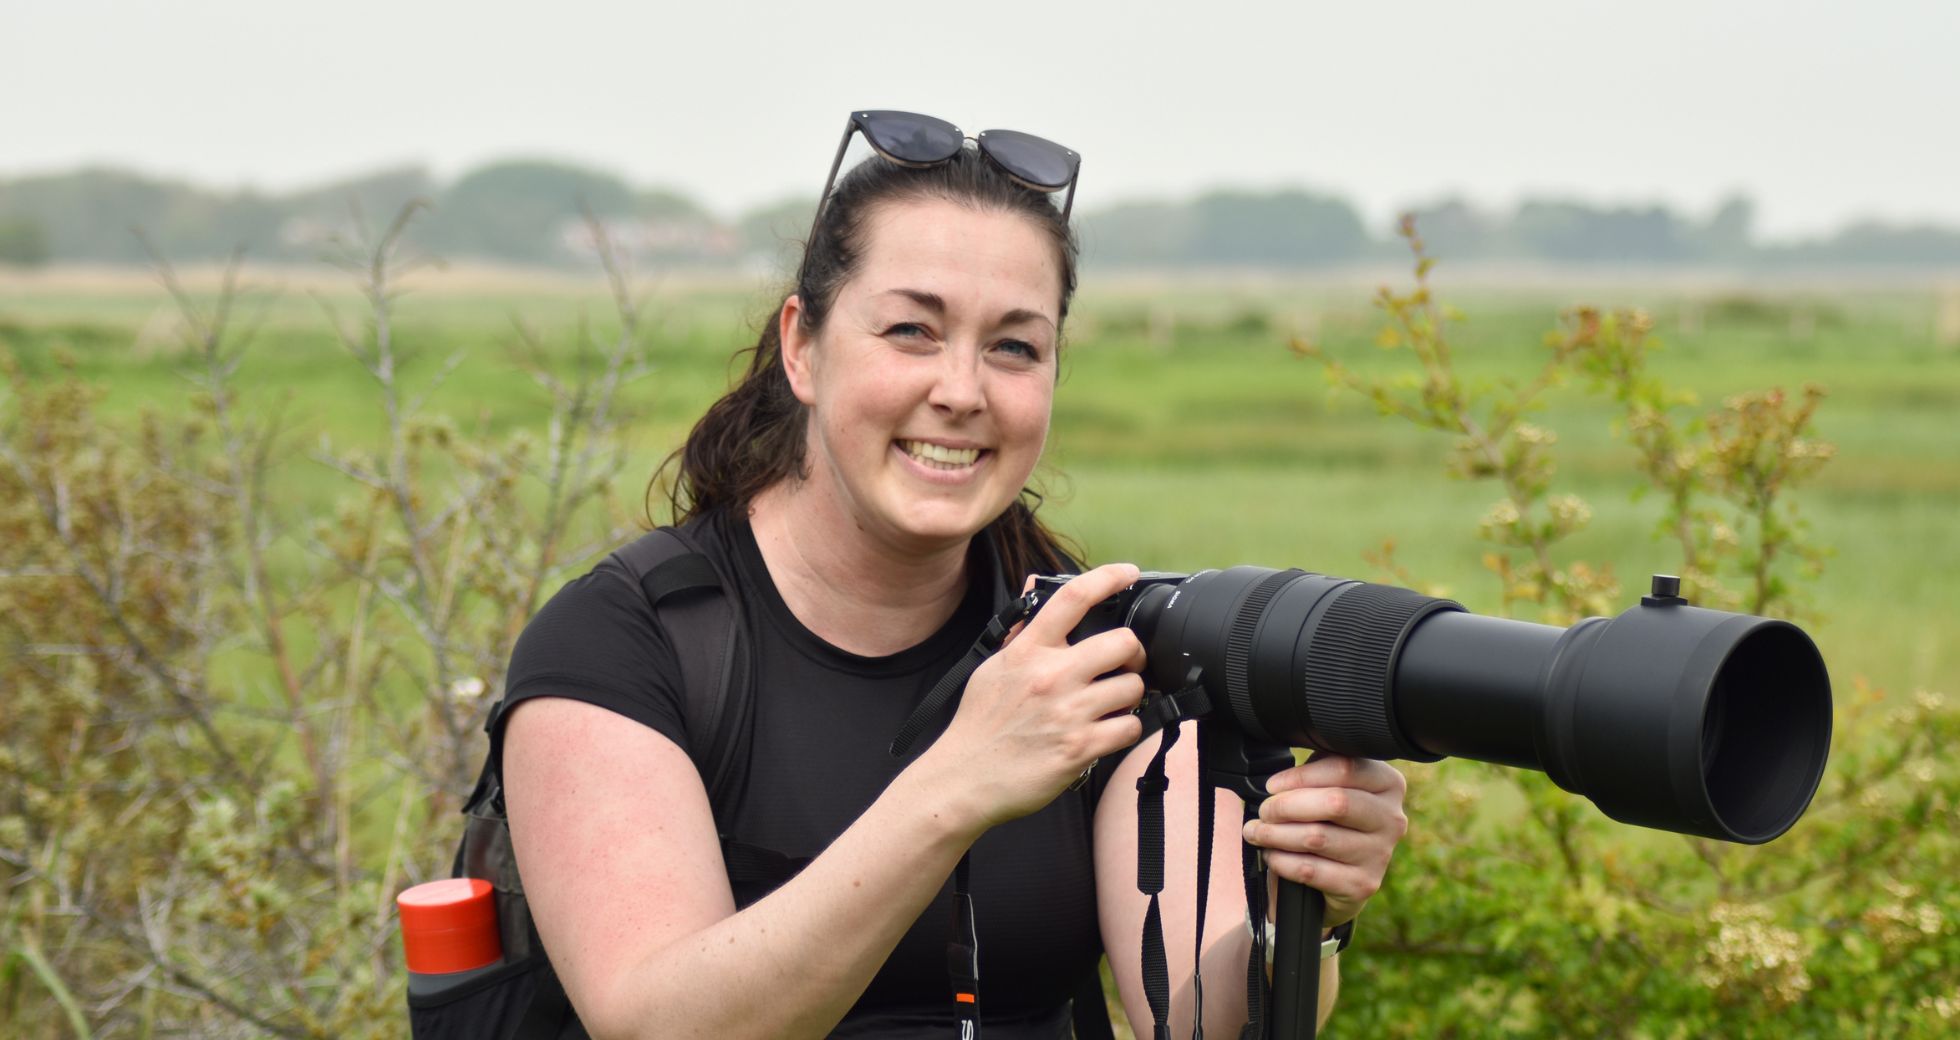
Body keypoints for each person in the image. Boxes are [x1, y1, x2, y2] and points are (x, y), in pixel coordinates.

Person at [497, 111, 1409, 1039]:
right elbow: (654, 1025)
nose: (963, 391)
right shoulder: (622, 645)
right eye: (911, 331)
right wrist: (957, 785)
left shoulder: (1100, 643)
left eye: (1014, 346)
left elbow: (1200, 1023)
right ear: (801, 346)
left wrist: (1306, 913)